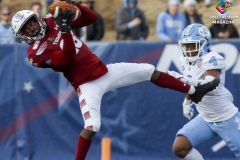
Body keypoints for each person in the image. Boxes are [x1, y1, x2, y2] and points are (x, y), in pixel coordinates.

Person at [11, 1, 220, 159]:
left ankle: (195, 91)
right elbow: (66, 59)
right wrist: (65, 30)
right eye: (25, 30)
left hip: (105, 71)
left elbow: (90, 19)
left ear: (35, 18)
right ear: (23, 36)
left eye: (30, 24)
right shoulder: (34, 54)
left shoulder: (51, 19)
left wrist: (76, 7)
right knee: (92, 126)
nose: (31, 29)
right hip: (86, 84)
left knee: (149, 71)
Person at [168, 23, 240, 159]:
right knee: (180, 147)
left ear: (204, 44)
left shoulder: (211, 58)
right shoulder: (185, 60)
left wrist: (183, 80)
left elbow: (210, 83)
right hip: (206, 118)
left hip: (226, 117)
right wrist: (187, 102)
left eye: (193, 45)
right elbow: (193, 84)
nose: (189, 49)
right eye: (186, 46)